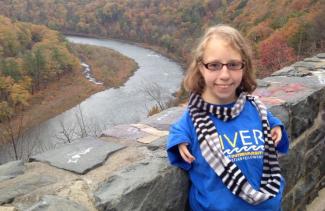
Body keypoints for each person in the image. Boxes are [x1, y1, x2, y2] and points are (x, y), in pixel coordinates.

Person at [167, 24, 289, 211]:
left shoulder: (254, 107)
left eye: (233, 65)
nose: (224, 75)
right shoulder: (194, 117)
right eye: (214, 65)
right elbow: (178, 130)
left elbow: (267, 118)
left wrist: (276, 125)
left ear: (243, 66)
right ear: (201, 67)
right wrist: (180, 140)